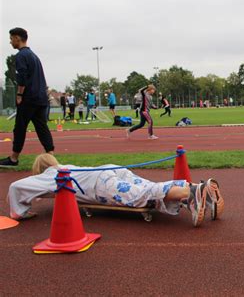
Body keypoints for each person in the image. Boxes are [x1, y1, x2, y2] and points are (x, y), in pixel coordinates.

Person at [7, 154, 224, 227]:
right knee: (147, 188)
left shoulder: (48, 175)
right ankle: (196, 191)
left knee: (145, 194)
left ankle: (193, 193)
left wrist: (20, 212)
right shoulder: (67, 167)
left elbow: (17, 186)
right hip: (110, 170)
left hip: (100, 183)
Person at [0, 28, 54, 167]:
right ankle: (51, 157)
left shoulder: (21, 56)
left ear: (18, 38)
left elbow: (22, 77)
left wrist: (19, 94)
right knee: (42, 127)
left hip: (29, 98)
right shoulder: (34, 56)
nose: (10, 41)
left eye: (11, 38)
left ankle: (13, 158)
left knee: (20, 127)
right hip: (40, 97)